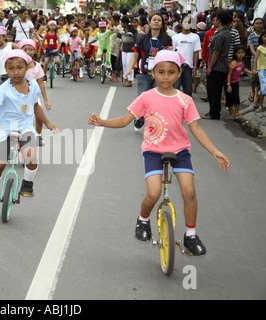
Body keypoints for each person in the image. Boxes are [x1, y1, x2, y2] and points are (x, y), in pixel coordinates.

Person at [88, 50, 230, 256]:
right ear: (152, 73)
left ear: (179, 73)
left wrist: (215, 151)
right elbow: (124, 120)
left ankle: (191, 235)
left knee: (189, 192)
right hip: (153, 152)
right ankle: (143, 219)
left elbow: (196, 128)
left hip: (180, 151)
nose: (166, 77)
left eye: (171, 72)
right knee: (153, 193)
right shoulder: (146, 97)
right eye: (161, 72)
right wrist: (102, 122)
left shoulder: (184, 100)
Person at [0, 49, 58, 212]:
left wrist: (48, 123)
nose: (15, 72)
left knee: (31, 157)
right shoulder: (3, 89)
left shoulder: (33, 85)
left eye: (19, 67)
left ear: (27, 67)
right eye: (10, 68)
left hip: (25, 126)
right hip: (6, 128)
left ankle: (27, 183)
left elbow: (36, 107)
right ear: (5, 69)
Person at [127, 13, 172, 130]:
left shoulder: (167, 39)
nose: (156, 21)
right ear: (150, 22)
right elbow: (136, 54)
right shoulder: (142, 38)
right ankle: (139, 119)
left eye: (159, 20)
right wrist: (130, 68)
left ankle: (153, 125)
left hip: (160, 77)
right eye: (154, 20)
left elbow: (170, 57)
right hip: (145, 75)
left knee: (157, 103)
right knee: (142, 102)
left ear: (162, 23)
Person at [19, 39, 52, 146]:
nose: (28, 52)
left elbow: (41, 83)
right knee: (22, 118)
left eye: (31, 49)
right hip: (20, 97)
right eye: (25, 49)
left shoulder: (37, 66)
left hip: (34, 97)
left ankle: (38, 135)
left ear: (34, 51)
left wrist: (46, 100)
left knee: (39, 116)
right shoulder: (18, 66)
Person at [203, 10, 232, 120]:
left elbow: (216, 52)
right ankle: (213, 112)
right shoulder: (227, 33)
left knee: (213, 91)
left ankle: (214, 113)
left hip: (217, 67)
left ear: (219, 20)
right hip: (222, 66)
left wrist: (210, 67)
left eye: (215, 19)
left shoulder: (220, 35)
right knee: (216, 90)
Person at [172, 15, 201, 96]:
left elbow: (196, 53)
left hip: (189, 67)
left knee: (188, 91)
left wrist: (195, 67)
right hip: (177, 67)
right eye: (185, 22)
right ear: (181, 23)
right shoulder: (175, 37)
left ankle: (187, 108)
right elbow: (173, 52)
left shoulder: (195, 37)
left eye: (189, 22)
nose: (187, 24)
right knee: (175, 90)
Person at [226, 45, 254, 119]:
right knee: (229, 98)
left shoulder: (242, 62)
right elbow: (229, 74)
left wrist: (251, 72)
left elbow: (243, 69)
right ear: (235, 54)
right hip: (229, 83)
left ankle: (237, 112)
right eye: (239, 53)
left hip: (236, 82)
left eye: (242, 52)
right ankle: (231, 113)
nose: (241, 54)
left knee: (236, 97)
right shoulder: (233, 63)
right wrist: (228, 85)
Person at [248, 18, 263, 105]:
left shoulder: (264, 35)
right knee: (253, 78)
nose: (259, 25)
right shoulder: (251, 36)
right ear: (254, 25)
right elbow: (251, 48)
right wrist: (257, 56)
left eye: (260, 23)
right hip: (254, 59)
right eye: (257, 23)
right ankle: (253, 91)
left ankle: (257, 96)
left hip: (263, 60)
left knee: (260, 79)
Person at [120, 17, 137, 87]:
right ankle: (125, 78)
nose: (121, 24)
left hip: (131, 50)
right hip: (124, 49)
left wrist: (135, 49)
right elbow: (122, 38)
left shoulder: (133, 30)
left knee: (129, 65)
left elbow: (136, 39)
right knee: (124, 65)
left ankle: (130, 80)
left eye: (122, 23)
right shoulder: (124, 30)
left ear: (126, 23)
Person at [253, 31, 266, 113]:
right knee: (264, 86)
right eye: (264, 36)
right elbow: (255, 59)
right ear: (261, 37)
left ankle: (258, 101)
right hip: (261, 69)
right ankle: (260, 104)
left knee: (263, 88)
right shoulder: (260, 48)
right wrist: (255, 69)